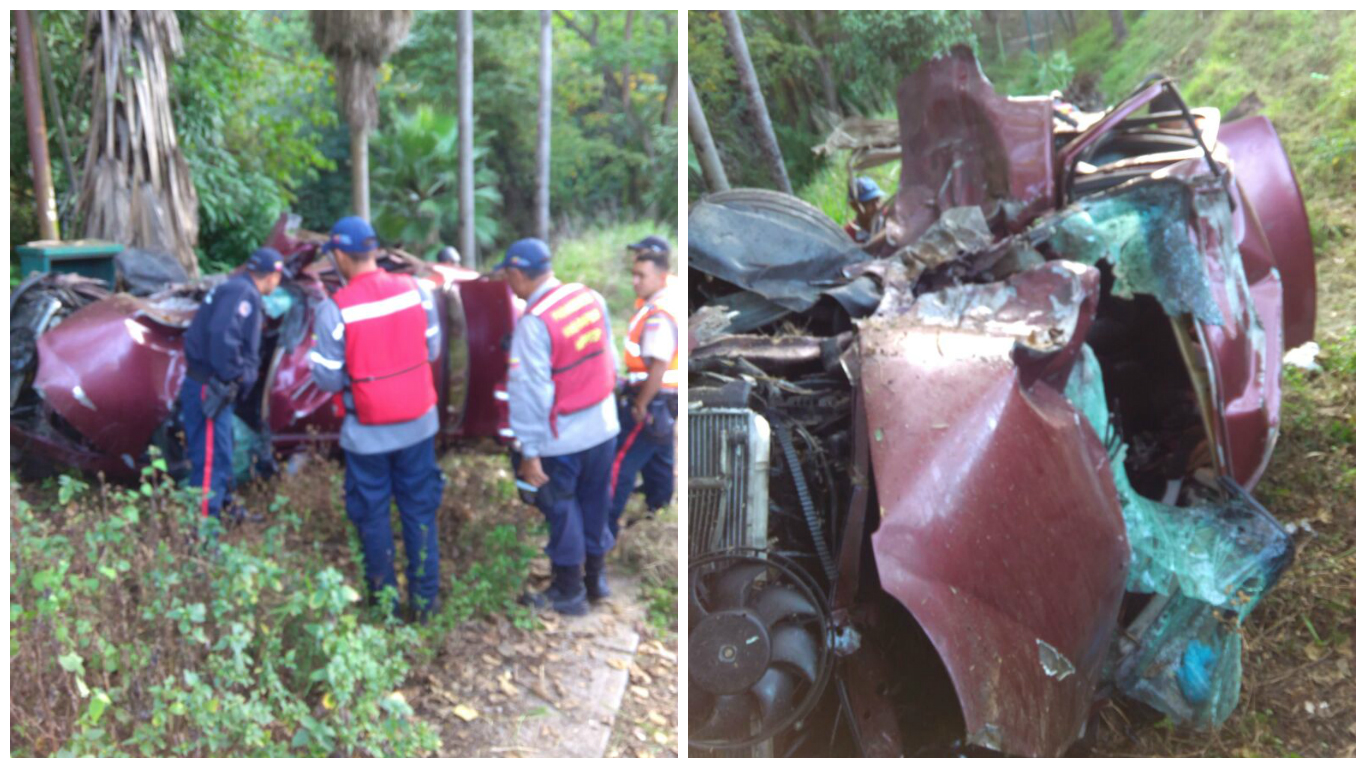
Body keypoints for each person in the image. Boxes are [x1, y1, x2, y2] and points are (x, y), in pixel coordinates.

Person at [307, 216, 445, 622]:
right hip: (420, 427)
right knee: (420, 512)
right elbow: (433, 350)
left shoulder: (335, 311)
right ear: (373, 251)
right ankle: (425, 605)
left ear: (339, 257)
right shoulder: (418, 291)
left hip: (367, 437)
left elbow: (327, 378)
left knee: (373, 519)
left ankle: (387, 611)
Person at [498, 238, 620, 616]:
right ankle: (596, 581)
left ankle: (568, 592)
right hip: (603, 425)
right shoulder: (589, 297)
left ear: (518, 274)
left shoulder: (534, 325)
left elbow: (530, 395)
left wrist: (529, 452)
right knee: (595, 501)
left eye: (507, 276)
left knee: (561, 507)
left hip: (561, 438)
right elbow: (609, 359)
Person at [180, 247, 283, 521]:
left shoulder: (236, 288)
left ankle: (225, 509)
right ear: (273, 275)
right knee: (210, 460)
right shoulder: (243, 294)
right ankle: (201, 535)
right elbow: (223, 337)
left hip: (212, 386)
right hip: (211, 387)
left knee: (222, 453)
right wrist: (233, 376)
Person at [608, 236, 679, 538]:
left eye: (641, 275)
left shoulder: (657, 315)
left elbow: (658, 365)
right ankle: (657, 514)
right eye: (633, 274)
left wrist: (641, 404)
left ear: (660, 276)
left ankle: (604, 528)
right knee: (660, 459)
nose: (635, 281)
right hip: (666, 399)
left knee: (620, 464)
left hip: (652, 399)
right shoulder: (665, 299)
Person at [844, 176, 886, 244]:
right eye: (869, 203)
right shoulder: (848, 236)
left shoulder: (892, 218)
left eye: (878, 200)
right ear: (854, 206)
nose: (877, 207)